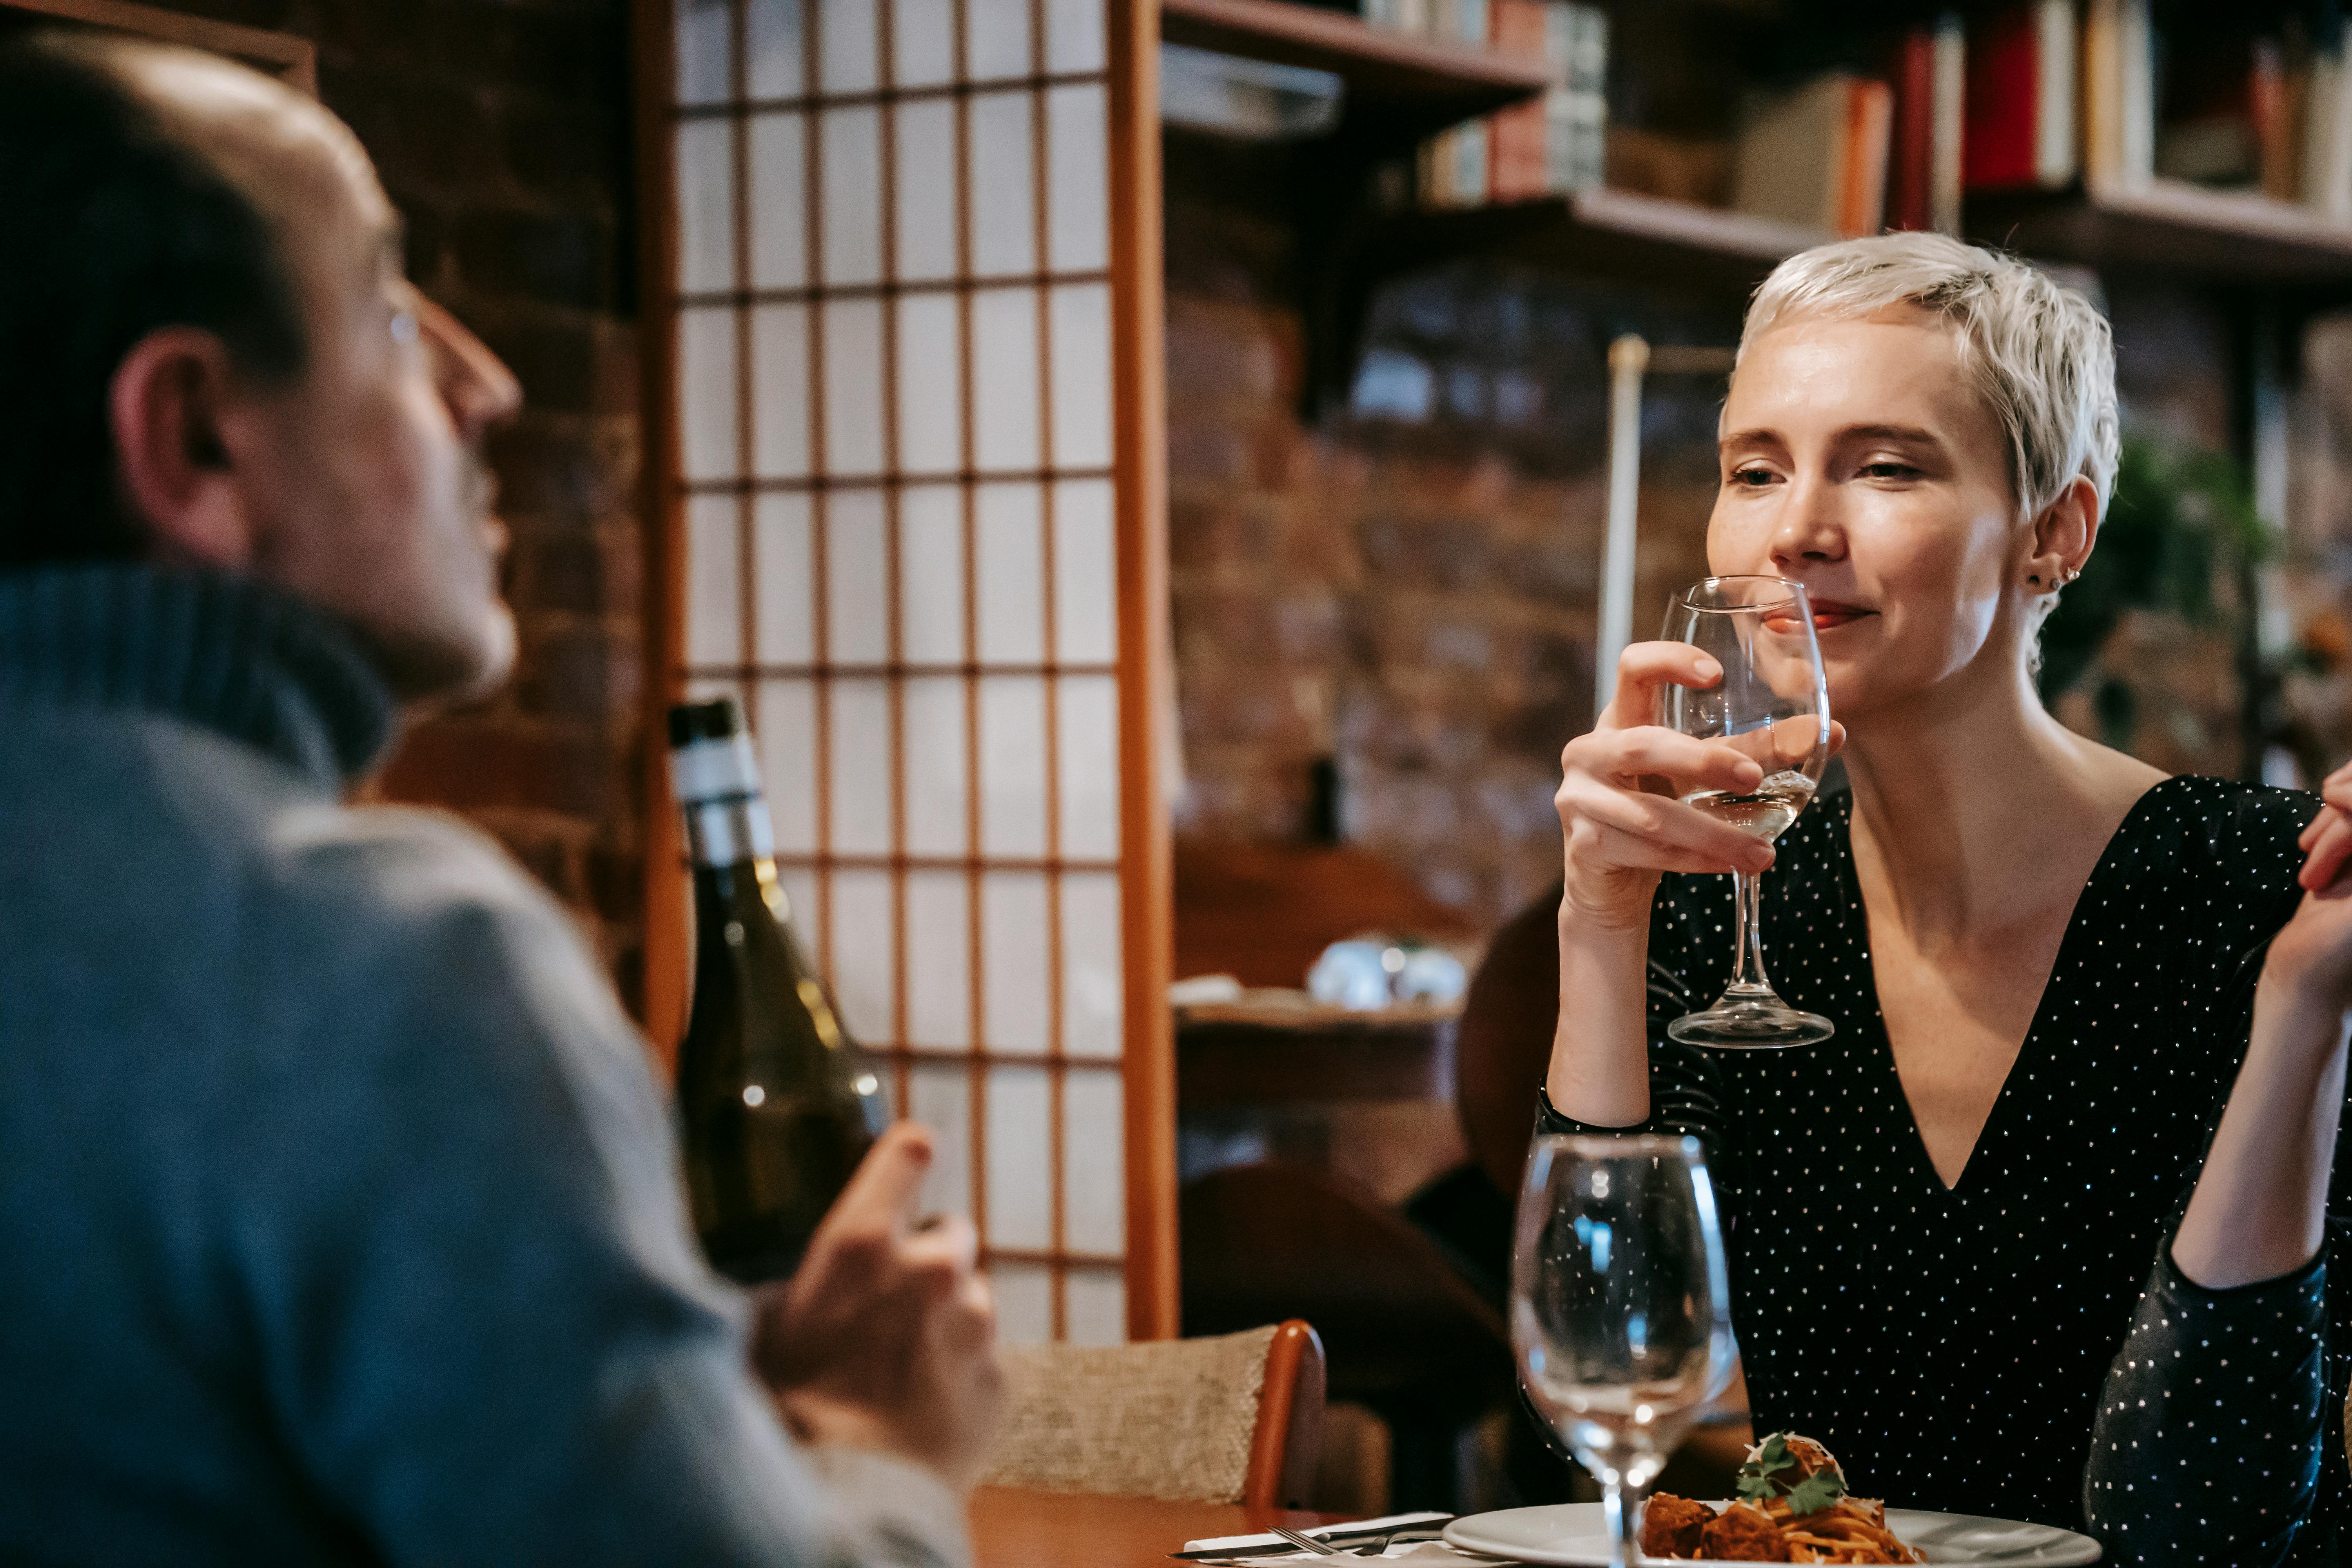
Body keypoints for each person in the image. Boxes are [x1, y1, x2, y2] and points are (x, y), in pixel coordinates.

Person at [0, 31, 998, 1565]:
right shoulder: (381, 964)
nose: (488, 384)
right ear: (193, 433)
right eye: (393, 311)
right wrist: (883, 1446)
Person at [1544, 230, 2352, 1566]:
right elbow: (1596, 1397)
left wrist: (2303, 1015)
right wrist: (1600, 920)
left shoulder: (2278, 897)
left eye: (1885, 466)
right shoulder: (1722, 904)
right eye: (1755, 471)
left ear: (2055, 533)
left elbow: (2205, 1527)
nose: (1798, 528)